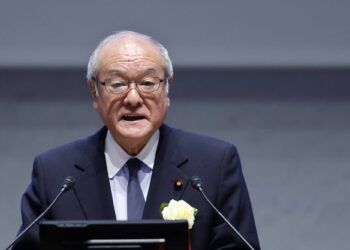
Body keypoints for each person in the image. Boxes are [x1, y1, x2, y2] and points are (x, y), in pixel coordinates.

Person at [13, 31, 260, 250]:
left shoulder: (213, 166)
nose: (133, 98)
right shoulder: (56, 174)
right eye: (118, 84)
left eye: (147, 83)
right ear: (94, 92)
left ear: (167, 89)